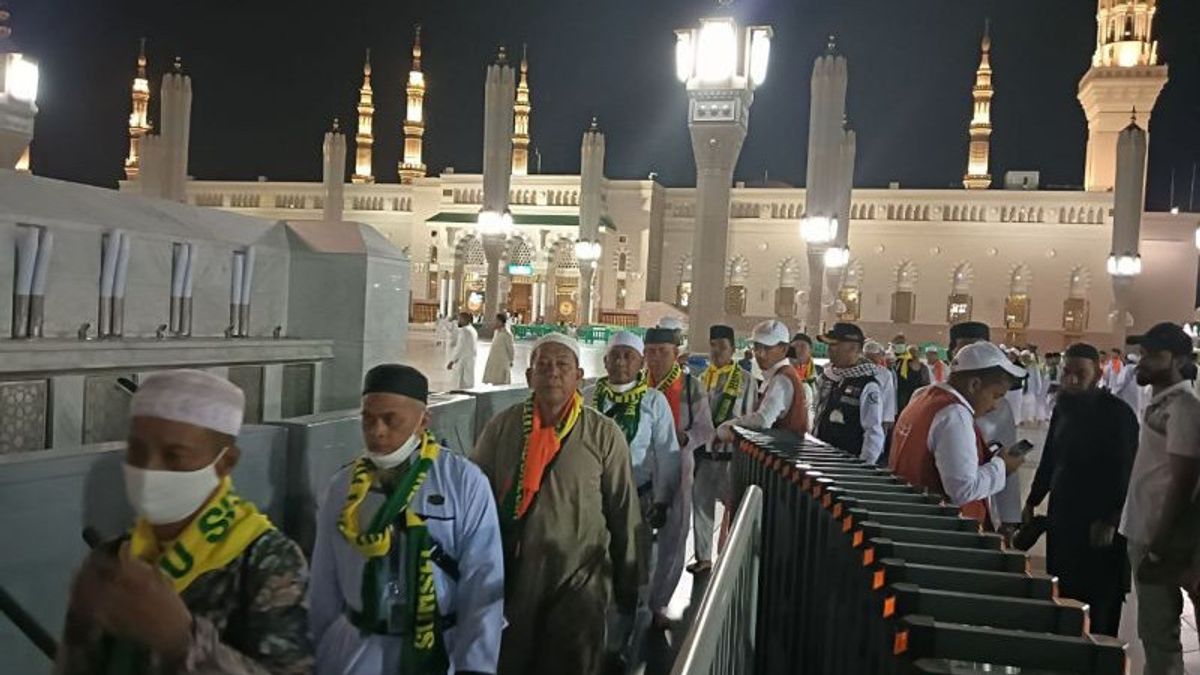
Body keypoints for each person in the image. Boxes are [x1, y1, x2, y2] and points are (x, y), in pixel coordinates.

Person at [57, 370, 312, 674]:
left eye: (174, 456)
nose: (149, 469)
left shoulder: (266, 561)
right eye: (138, 451)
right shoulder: (112, 559)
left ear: (225, 462)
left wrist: (181, 643)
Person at [309, 364, 504, 675]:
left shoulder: (463, 482)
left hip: (437, 648)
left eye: (391, 420)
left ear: (423, 421)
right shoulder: (343, 488)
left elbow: (483, 581)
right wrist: (318, 650)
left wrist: (476, 665)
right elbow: (323, 584)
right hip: (358, 650)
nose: (377, 431)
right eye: (368, 419)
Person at [471, 333, 643, 675]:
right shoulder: (501, 428)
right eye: (543, 365)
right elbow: (474, 501)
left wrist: (629, 584)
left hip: (580, 580)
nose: (553, 373)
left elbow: (623, 511)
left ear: (579, 377)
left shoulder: (603, 434)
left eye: (563, 365)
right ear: (528, 376)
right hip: (514, 579)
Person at [1021, 343, 1137, 637]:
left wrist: (1112, 520)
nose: (1071, 380)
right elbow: (1049, 459)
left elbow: (1127, 472)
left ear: (1097, 375)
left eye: (1080, 374)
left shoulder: (1118, 415)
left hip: (1101, 525)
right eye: (1067, 372)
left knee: (1101, 598)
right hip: (1065, 517)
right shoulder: (1063, 409)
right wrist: (1033, 500)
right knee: (1065, 587)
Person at [1118, 323, 1200, 674]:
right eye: (1143, 354)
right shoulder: (1164, 403)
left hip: (1159, 535)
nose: (1143, 362)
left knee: (1159, 631)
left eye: (1154, 356)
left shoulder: (1183, 407)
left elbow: (1184, 482)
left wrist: (1159, 544)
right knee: (1153, 627)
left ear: (1180, 360)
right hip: (1146, 529)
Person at [890, 342, 1026, 522]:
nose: (994, 406)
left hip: (910, 512)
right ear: (975, 384)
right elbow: (963, 490)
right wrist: (1002, 466)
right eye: (995, 396)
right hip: (936, 525)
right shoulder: (954, 414)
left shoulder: (922, 395)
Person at [644, 326, 714, 628]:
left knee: (674, 535)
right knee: (637, 534)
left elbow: (706, 429)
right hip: (641, 467)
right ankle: (634, 598)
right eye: (651, 352)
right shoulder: (636, 384)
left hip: (678, 466)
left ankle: (658, 603)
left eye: (663, 352)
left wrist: (684, 438)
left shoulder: (690, 387)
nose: (656, 358)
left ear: (676, 354)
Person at [689, 325, 755, 575]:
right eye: (713, 345)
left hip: (732, 456)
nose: (717, 351)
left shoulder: (747, 382)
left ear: (733, 349)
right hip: (704, 455)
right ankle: (703, 558)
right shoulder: (700, 380)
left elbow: (750, 418)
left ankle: (730, 559)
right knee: (701, 505)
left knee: (734, 508)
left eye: (723, 346)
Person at [947, 322, 1023, 535]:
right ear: (952, 351)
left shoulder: (999, 405)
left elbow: (1007, 455)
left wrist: (1009, 517)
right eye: (966, 349)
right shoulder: (931, 397)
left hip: (974, 511)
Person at [716, 319, 809, 443]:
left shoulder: (781, 379)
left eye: (767, 348)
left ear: (784, 349)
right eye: (757, 347)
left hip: (783, 456)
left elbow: (763, 420)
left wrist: (726, 427)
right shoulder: (781, 375)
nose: (760, 354)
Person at [813, 323, 886, 463]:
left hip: (846, 465)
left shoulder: (867, 385)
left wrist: (863, 469)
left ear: (854, 348)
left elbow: (873, 431)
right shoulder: (827, 377)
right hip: (820, 458)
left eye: (835, 345)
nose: (829, 350)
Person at [864, 340, 898, 460]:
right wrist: (887, 419)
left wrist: (887, 420)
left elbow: (889, 397)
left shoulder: (885, 373)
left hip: (879, 414)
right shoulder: (883, 373)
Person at [894, 344, 931, 413]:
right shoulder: (923, 367)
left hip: (907, 399)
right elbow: (926, 384)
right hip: (912, 399)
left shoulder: (901, 365)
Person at [447, 312, 478, 390]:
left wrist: (452, 361)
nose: (458, 321)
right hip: (471, 359)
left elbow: (460, 348)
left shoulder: (464, 331)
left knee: (462, 383)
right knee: (469, 381)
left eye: (460, 319)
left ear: (465, 320)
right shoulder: (473, 330)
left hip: (464, 360)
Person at [482, 313, 515, 385]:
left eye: (496, 321)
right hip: (494, 361)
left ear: (500, 322)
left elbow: (510, 349)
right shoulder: (496, 332)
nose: (494, 323)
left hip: (502, 362)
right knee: (494, 380)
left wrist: (511, 360)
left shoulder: (507, 334)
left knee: (501, 381)